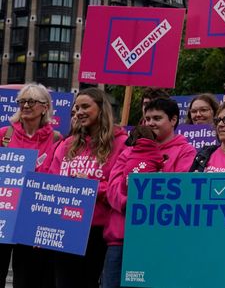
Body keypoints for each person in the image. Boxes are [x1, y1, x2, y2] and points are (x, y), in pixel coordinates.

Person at [103, 97, 197, 288]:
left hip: (160, 241)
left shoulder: (186, 152)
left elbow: (179, 191)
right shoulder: (128, 151)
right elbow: (112, 187)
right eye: (147, 118)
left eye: (157, 118)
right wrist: (127, 204)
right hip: (121, 238)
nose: (150, 123)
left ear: (173, 120)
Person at [46, 87, 128, 288]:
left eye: (85, 106)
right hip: (65, 228)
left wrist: (92, 187)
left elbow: (121, 188)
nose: (79, 111)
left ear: (101, 109)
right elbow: (50, 181)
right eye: (76, 108)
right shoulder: (66, 145)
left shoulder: (122, 143)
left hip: (97, 231)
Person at [1, 83, 63, 288]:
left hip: (34, 216)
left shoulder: (56, 139)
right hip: (4, 213)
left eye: (32, 101)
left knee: (28, 277)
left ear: (45, 107)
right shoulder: (4, 134)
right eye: (22, 101)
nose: (25, 105)